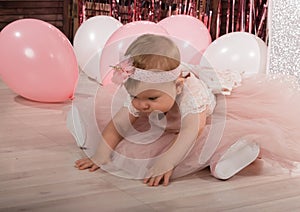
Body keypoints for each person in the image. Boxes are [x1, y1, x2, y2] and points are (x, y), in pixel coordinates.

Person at [75, 33, 300, 186]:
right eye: (135, 97)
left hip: (205, 118)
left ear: (178, 85)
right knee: (124, 127)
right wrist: (100, 155)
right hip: (170, 115)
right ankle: (82, 127)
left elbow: (190, 133)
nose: (142, 105)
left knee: (205, 143)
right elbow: (119, 124)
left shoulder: (191, 96)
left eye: (151, 98)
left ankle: (233, 153)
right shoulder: (141, 93)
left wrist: (167, 161)